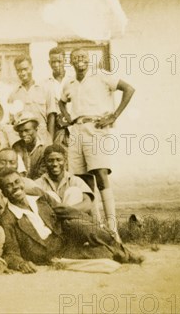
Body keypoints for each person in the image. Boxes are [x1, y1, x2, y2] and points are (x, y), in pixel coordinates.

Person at [0, 169, 143, 273]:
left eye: (17, 182)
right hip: (51, 254)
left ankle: (125, 252)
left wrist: (97, 226)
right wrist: (20, 264)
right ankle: (117, 252)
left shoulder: (38, 195)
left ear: (22, 182)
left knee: (80, 224)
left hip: (65, 238)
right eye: (9, 185)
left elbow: (64, 210)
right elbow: (11, 251)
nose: (15, 187)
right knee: (106, 255)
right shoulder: (7, 218)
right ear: (4, 192)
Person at [59, 48, 135, 239]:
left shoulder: (101, 76)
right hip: (76, 130)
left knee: (100, 175)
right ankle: (97, 227)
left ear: (89, 59)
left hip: (96, 128)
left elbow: (129, 89)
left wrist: (114, 116)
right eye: (76, 57)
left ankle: (113, 228)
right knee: (83, 181)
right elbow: (60, 102)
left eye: (83, 56)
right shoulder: (69, 82)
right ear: (72, 62)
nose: (80, 60)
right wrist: (67, 117)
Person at [8, 55, 56, 145]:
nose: (22, 73)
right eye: (19, 70)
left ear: (32, 68)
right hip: (23, 138)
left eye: (25, 69)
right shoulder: (13, 94)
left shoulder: (45, 88)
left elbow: (51, 115)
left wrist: (50, 140)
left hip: (42, 136)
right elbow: (12, 121)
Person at [35, 145, 94, 216]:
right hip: (51, 220)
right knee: (50, 195)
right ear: (45, 162)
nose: (55, 164)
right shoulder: (39, 183)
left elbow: (87, 204)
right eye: (50, 161)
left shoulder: (75, 180)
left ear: (65, 161)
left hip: (72, 220)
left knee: (74, 191)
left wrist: (66, 211)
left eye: (59, 160)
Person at [43, 47, 70, 147]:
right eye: (53, 62)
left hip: (73, 127)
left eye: (59, 61)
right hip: (55, 127)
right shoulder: (45, 84)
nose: (56, 65)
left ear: (65, 61)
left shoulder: (73, 80)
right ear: (49, 62)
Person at [12, 112, 47, 180]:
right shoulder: (16, 147)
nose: (23, 134)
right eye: (20, 131)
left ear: (36, 129)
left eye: (27, 130)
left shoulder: (44, 148)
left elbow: (42, 175)